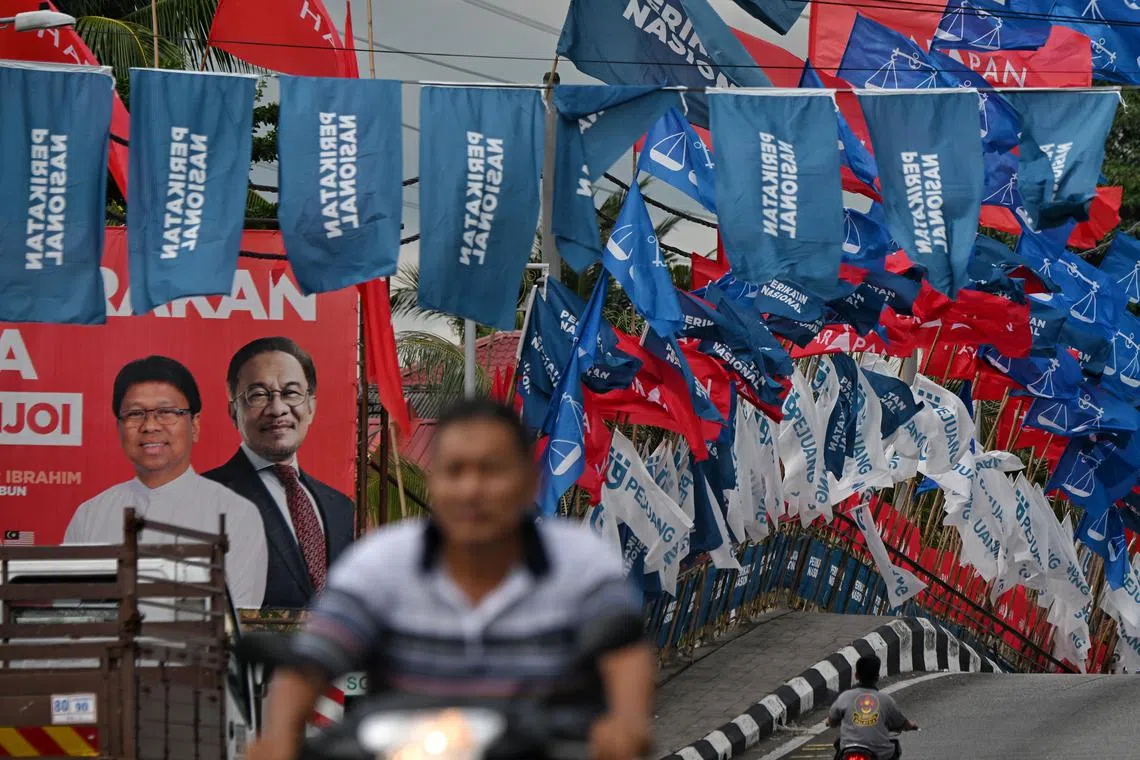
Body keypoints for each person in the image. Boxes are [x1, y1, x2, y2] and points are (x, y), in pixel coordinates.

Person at [246, 399, 654, 760]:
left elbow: (623, 651)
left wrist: (626, 724)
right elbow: (314, 659)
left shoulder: (579, 560)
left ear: (530, 482)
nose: (471, 489)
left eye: (491, 471)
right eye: (455, 471)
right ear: (434, 481)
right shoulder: (380, 562)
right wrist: (280, 737)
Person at [64, 356, 268, 609]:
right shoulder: (90, 515)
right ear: (119, 427)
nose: (150, 426)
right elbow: (71, 617)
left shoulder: (236, 514)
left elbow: (235, 620)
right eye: (135, 414)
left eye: (166, 412)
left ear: (194, 425)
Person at [203, 337, 354, 610]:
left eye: (291, 393)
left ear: (311, 407)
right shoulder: (200, 500)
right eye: (258, 394)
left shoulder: (341, 509)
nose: (277, 409)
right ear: (233, 411)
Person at [828, 655, 918, 760]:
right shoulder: (885, 700)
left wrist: (831, 721)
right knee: (895, 748)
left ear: (856, 675)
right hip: (878, 753)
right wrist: (911, 725)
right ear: (877, 676)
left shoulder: (845, 697)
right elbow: (902, 723)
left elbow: (832, 721)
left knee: (839, 748)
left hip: (848, 751)